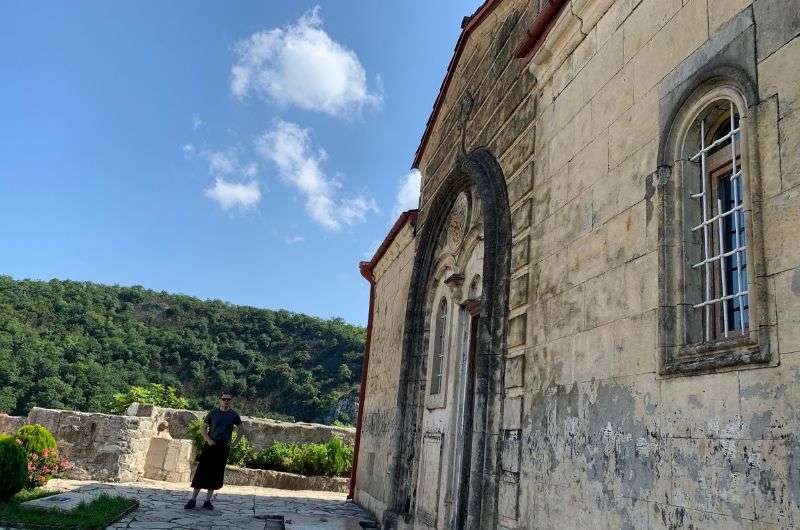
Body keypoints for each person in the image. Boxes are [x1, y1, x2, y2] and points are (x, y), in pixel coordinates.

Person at [184, 391, 243, 510]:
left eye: (228, 399)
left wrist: (234, 443)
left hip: (223, 447)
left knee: (215, 474)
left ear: (230, 401)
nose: (226, 401)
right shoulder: (213, 412)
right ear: (220, 400)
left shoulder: (234, 415)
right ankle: (193, 499)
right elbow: (203, 428)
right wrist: (208, 439)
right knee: (202, 471)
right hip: (211, 445)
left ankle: (207, 501)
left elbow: (241, 429)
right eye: (224, 399)